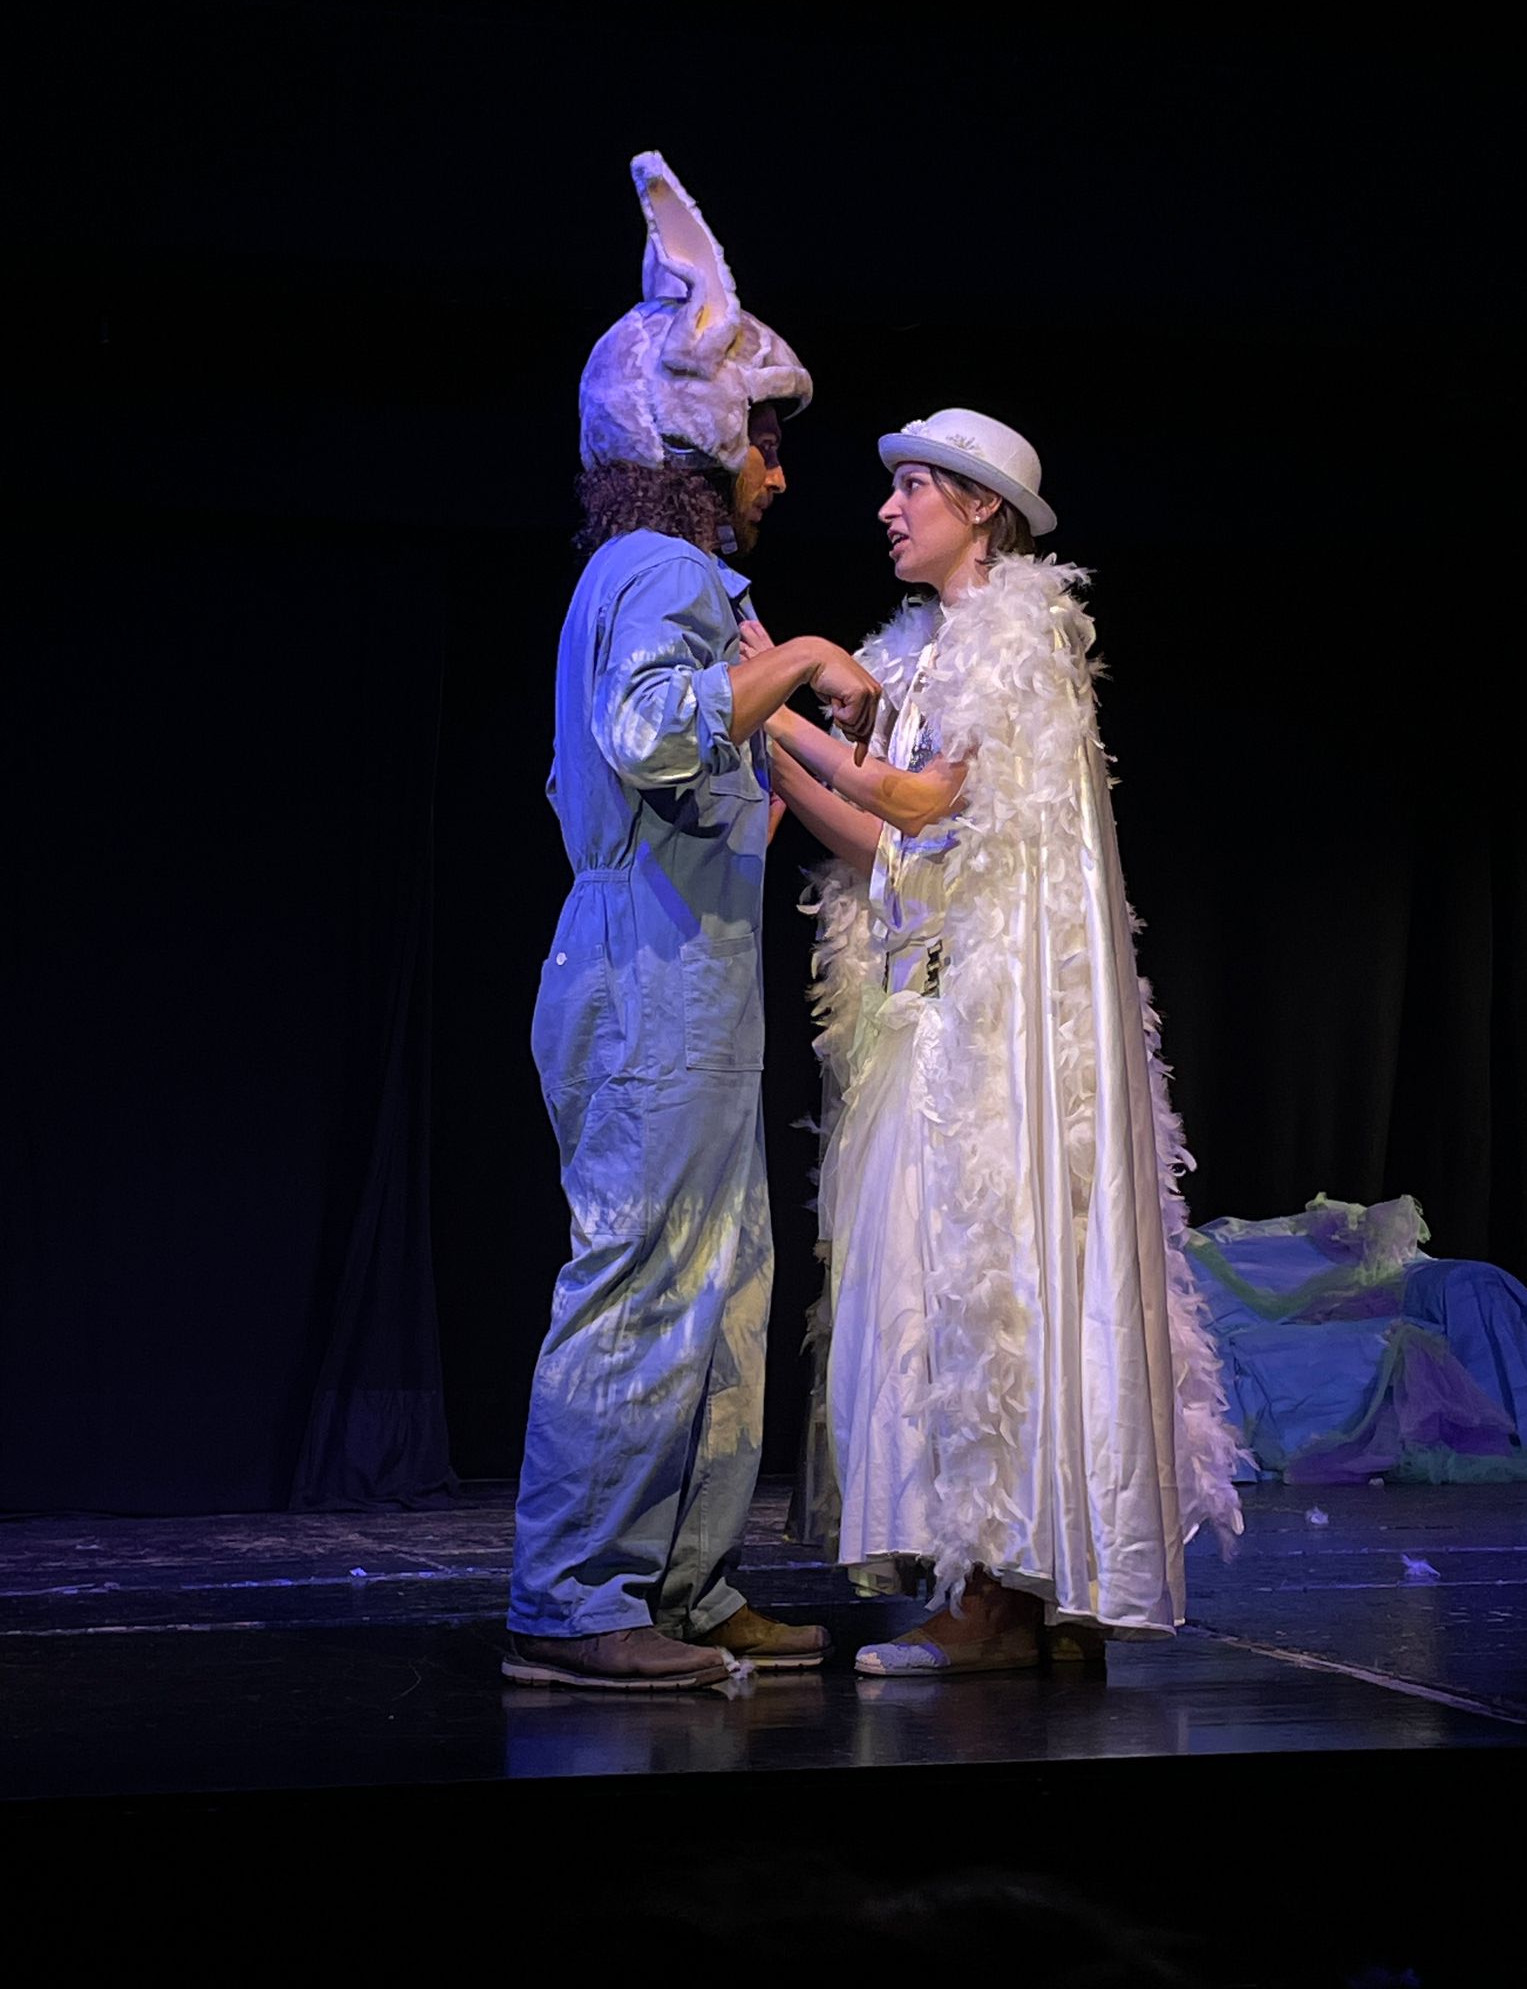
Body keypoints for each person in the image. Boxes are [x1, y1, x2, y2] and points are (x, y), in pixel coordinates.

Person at [759, 408, 1244, 1675]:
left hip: (992, 1034)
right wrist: (769, 735)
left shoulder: (1019, 639)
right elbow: (889, 844)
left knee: (989, 1284)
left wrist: (783, 710)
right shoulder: (913, 657)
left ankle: (1000, 1606)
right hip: (923, 1011)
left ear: (982, 507)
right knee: (930, 1298)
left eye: (914, 486)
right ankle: (1008, 1596)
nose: (888, 507)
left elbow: (926, 799)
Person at [503, 154, 881, 1691]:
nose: (779, 475)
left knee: (724, 1284)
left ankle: (682, 1582)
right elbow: (652, 734)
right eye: (765, 443)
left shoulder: (675, 581)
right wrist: (801, 656)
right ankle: (573, 1599)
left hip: (692, 969)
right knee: (644, 1277)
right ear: (699, 440)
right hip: (644, 974)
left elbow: (674, 765)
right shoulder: (659, 567)